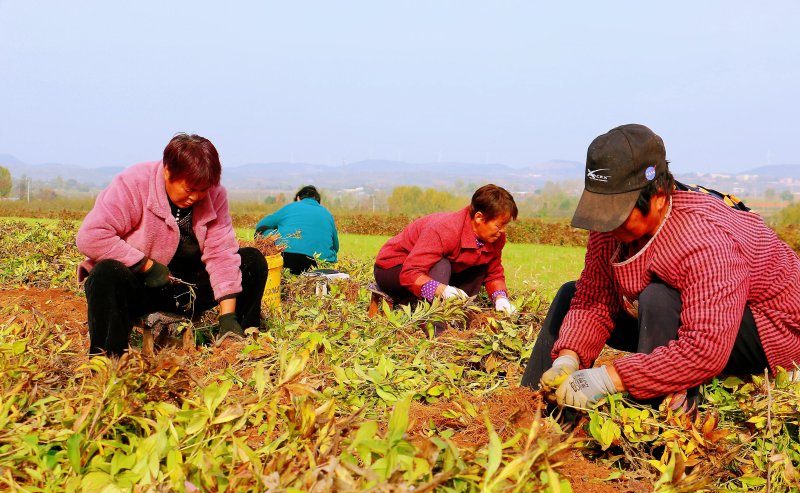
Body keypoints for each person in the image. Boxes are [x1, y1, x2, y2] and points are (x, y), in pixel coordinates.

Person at [521, 124, 800, 412]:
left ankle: (663, 417)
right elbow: (595, 298)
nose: (608, 224)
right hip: (684, 318)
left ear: (659, 196)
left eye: (617, 214)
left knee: (658, 296)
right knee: (571, 295)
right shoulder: (610, 227)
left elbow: (705, 348)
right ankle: (534, 410)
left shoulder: (705, 238)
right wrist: (569, 358)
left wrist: (608, 379)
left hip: (771, 331)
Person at [76, 133, 269, 356]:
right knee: (105, 273)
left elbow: (221, 253)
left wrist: (227, 315)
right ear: (168, 171)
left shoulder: (215, 195)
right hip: (142, 286)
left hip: (186, 290)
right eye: (189, 189)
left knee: (252, 261)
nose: (196, 197)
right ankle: (108, 361)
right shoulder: (134, 183)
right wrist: (144, 265)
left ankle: (238, 342)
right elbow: (91, 236)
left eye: (203, 190)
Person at [373, 184, 518, 317]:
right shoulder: (444, 230)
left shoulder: (496, 238)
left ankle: (459, 316)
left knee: (480, 266)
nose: (502, 231)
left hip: (428, 272)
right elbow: (410, 273)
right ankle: (435, 326)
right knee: (441, 265)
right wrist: (441, 290)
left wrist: (500, 298)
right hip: (394, 269)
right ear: (479, 217)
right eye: (499, 226)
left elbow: (493, 272)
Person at [254, 185, 339, 275]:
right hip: (319, 265)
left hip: (287, 259)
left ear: (298, 198)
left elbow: (261, 226)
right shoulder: (327, 214)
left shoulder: (290, 207)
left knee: (261, 230)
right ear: (318, 202)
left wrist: (278, 235)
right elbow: (336, 247)